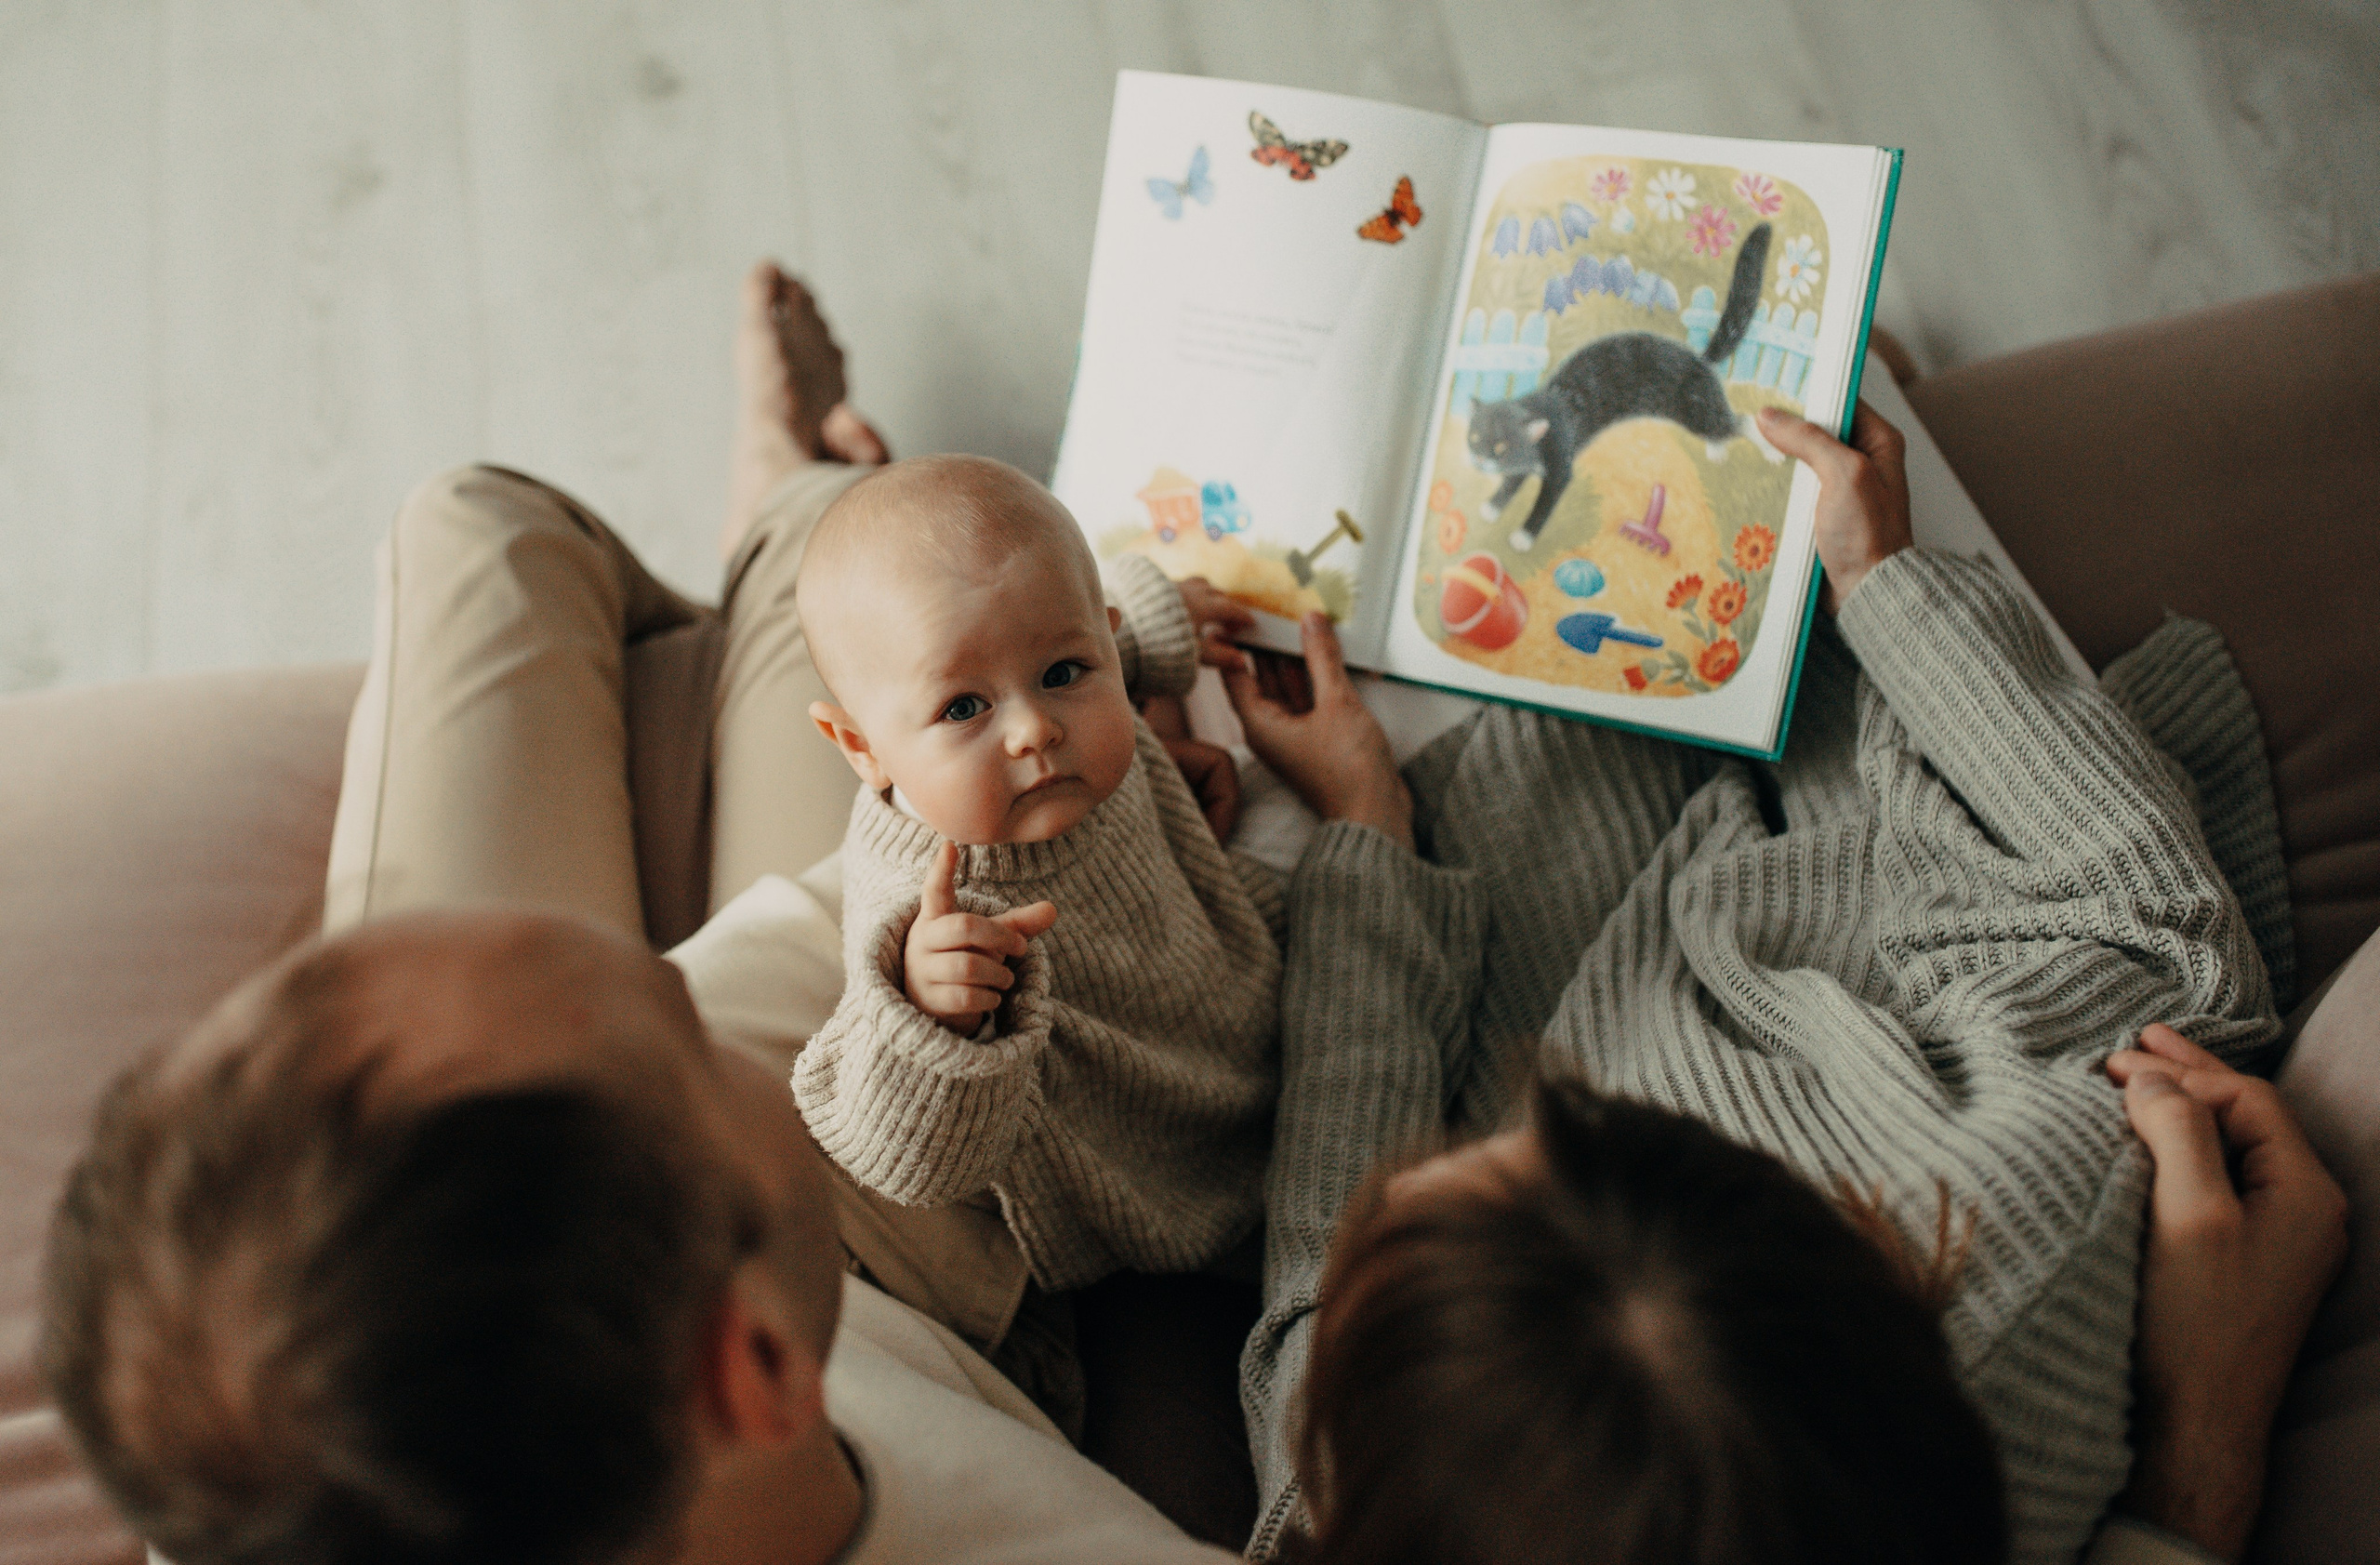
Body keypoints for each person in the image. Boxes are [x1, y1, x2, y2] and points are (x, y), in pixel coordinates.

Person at [33, 264, 2343, 1565]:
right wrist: (2200, 1443)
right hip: (949, 1056)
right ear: (762, 1358)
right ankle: (784, 571)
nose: (689, 984)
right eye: (672, 1048)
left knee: (480, 530)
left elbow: (1315, 1326)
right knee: (788, 646)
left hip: (918, 950)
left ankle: (771, 536)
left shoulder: (288, 1472)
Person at [1222, 398, 2334, 1564]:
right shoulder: (2017, 1255)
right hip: (1826, 889)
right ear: (1854, 1231)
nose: (1401, 1189)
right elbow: (2165, 938)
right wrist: (1887, 588)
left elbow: (1320, 1268)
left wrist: (1364, 831)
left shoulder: (1336, 1491)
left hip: (1559, 830)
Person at [787, 456, 1283, 1434]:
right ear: (860, 749)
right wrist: (932, 1014)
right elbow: (903, 1160)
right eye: (962, 708)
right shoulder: (923, 898)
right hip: (1138, 1192)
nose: (1034, 731)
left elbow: (1075, 634)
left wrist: (1151, 622)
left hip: (1225, 986)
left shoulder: (1069, 700)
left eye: (1064, 673)